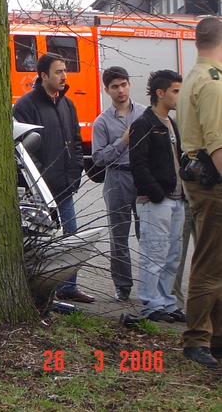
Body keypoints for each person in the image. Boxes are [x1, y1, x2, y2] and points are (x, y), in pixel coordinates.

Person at [13, 52, 93, 303]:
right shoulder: (26, 106)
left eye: (64, 71)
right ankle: (44, 292)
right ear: (43, 75)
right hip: (40, 190)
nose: (64, 76)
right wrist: (40, 178)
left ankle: (69, 287)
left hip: (66, 186)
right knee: (44, 240)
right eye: (58, 71)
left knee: (71, 237)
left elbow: (76, 141)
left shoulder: (67, 103)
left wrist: (76, 170)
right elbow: (23, 148)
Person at [176, 16, 222, 367]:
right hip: (214, 182)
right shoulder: (212, 82)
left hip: (201, 179)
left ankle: (213, 336)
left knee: (216, 262)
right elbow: (218, 144)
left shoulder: (194, 75)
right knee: (209, 263)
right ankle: (197, 340)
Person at [129, 70, 185, 324]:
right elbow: (138, 164)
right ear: (160, 93)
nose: (178, 96)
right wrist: (156, 194)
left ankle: (168, 302)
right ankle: (151, 303)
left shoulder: (171, 123)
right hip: (156, 202)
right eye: (175, 91)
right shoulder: (144, 123)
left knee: (173, 254)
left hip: (177, 200)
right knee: (155, 253)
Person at [91, 67, 146, 302]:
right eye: (115, 86)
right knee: (119, 237)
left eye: (123, 84)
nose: (120, 90)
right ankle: (122, 287)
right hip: (116, 179)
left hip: (142, 177)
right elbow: (99, 158)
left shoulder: (144, 114)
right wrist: (122, 142)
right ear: (107, 90)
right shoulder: (101, 122)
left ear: (129, 85)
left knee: (148, 235)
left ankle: (150, 288)